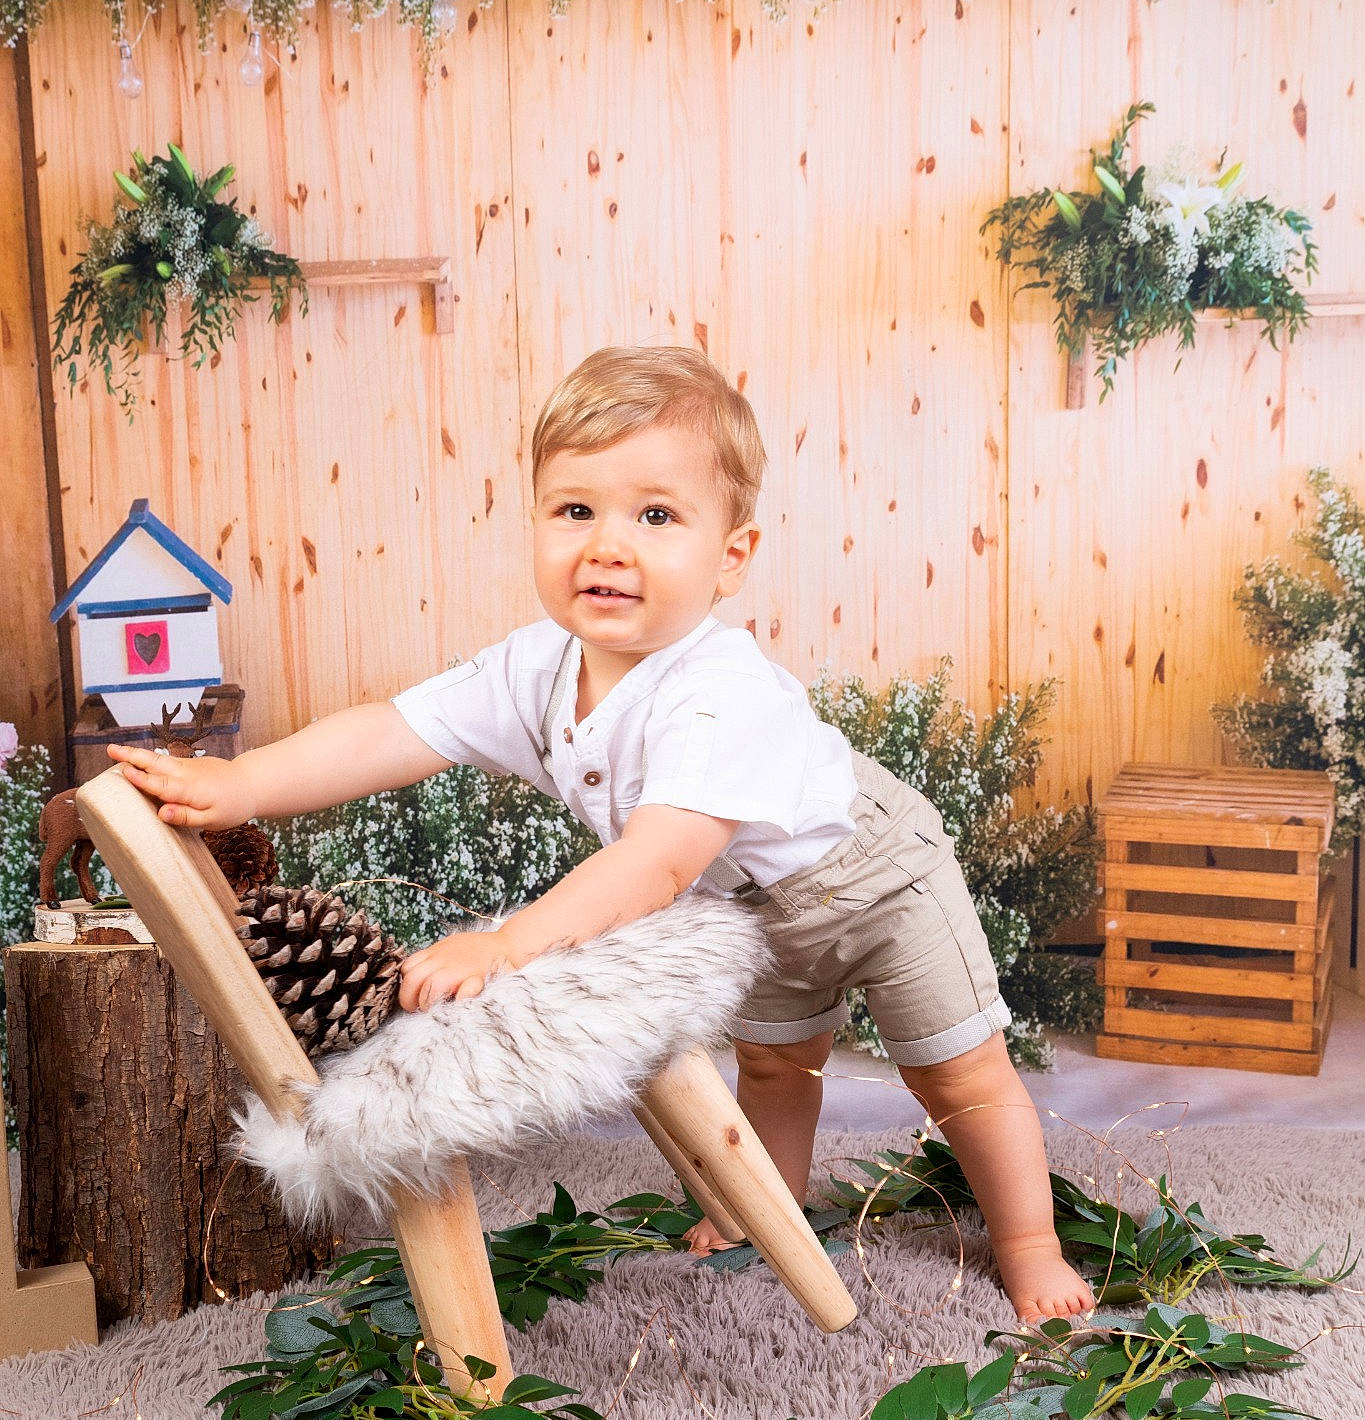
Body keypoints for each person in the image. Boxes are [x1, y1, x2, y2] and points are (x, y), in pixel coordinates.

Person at [106, 344, 1093, 1324]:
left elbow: (658, 861)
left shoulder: (717, 687)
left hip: (876, 878)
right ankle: (769, 1209)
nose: (608, 544)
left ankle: (1028, 1242)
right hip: (747, 903)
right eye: (576, 509)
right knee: (777, 1066)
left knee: (956, 1071)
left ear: (730, 556)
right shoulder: (537, 668)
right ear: (534, 518)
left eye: (656, 516)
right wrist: (243, 782)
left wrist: (506, 943)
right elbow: (393, 730)